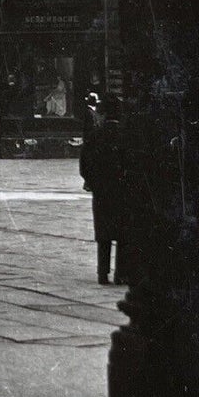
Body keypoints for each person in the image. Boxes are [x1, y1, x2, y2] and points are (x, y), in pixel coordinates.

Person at [79, 94, 127, 285]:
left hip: (101, 191)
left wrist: (91, 181)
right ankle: (120, 273)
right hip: (123, 190)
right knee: (123, 234)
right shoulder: (126, 135)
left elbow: (84, 163)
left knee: (103, 233)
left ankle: (102, 273)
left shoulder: (94, 136)